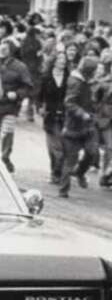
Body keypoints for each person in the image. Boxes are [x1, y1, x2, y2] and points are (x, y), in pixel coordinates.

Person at [0, 38, 32, 172]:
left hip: (10, 106)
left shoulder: (20, 67)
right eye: (0, 47)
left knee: (7, 132)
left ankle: (5, 157)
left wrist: (18, 94)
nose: (2, 50)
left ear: (11, 51)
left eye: (6, 48)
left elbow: (27, 86)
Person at [61, 56, 100, 197]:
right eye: (94, 70)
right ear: (89, 71)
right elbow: (69, 103)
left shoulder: (91, 82)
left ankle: (80, 172)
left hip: (89, 124)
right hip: (74, 125)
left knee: (92, 152)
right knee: (70, 158)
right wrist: (82, 113)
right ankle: (63, 189)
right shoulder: (75, 82)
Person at [40, 54, 69, 186]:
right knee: (55, 147)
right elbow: (39, 95)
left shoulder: (69, 78)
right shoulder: (46, 77)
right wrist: (40, 107)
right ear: (54, 61)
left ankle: (57, 172)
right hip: (50, 116)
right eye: (59, 59)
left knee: (60, 146)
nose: (62, 61)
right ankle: (56, 173)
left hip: (66, 115)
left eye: (64, 60)